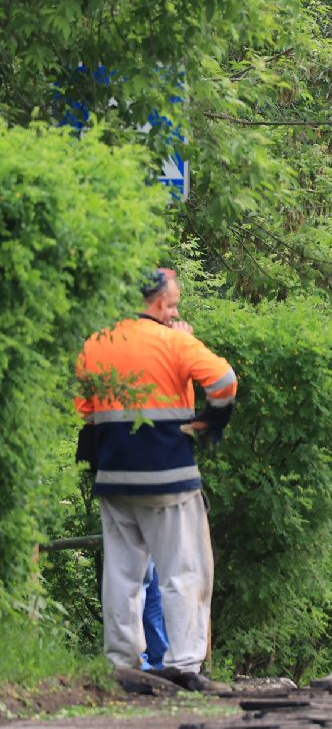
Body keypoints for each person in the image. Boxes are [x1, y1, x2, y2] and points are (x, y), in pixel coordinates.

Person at [76, 268, 238, 691]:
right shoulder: (176, 342)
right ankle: (185, 665)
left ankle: (121, 663)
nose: (177, 310)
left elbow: (87, 412)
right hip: (169, 478)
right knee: (184, 572)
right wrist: (209, 421)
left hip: (114, 477)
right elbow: (224, 382)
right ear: (162, 304)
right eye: (176, 302)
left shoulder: (97, 343)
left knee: (122, 575)